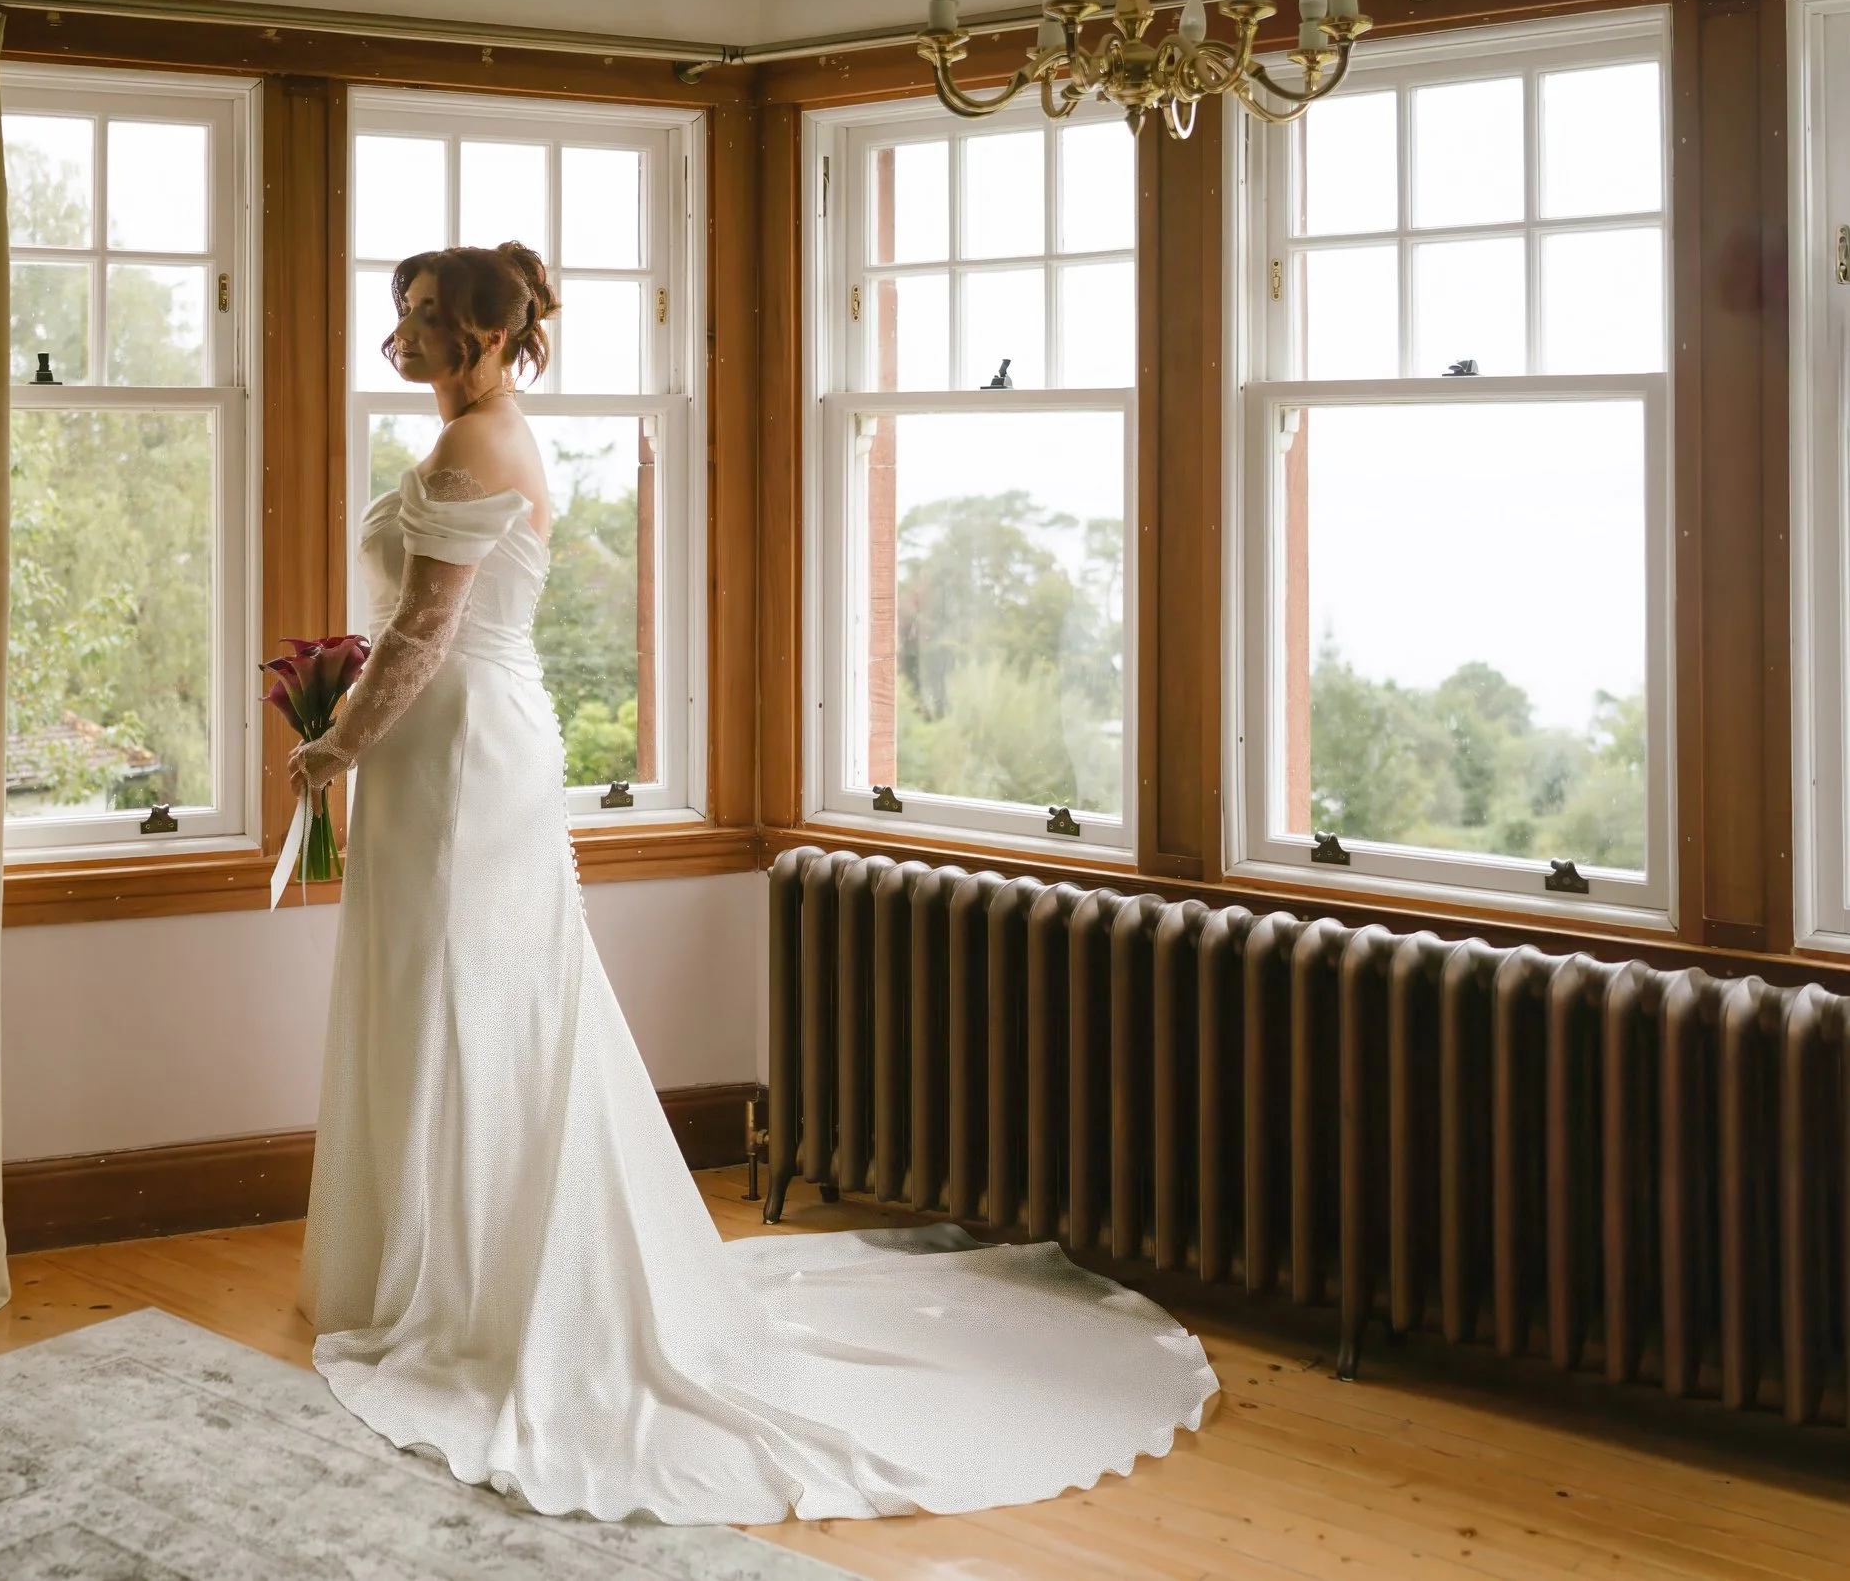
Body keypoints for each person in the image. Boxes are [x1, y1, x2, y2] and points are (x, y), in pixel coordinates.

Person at [287, 242, 1218, 1526]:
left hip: (456, 755)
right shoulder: (480, 435)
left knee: (469, 992)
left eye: (434, 314)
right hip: (445, 742)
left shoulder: (472, 446)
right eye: (404, 309)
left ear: (493, 338)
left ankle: (483, 1281)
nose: (408, 331)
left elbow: (426, 628)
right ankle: (437, 1257)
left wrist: (339, 740)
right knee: (444, 990)